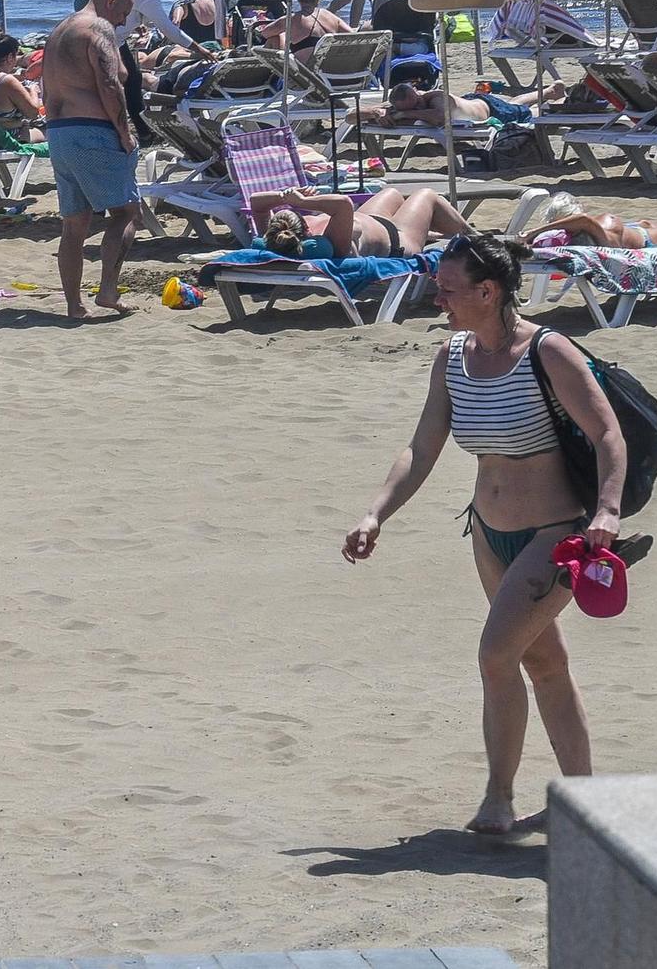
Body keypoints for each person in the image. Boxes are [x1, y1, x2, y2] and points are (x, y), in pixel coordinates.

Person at [346, 232, 626, 834]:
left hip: (554, 534)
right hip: (487, 532)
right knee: (543, 662)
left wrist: (607, 510)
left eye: (447, 289)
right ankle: (584, 803)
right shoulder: (452, 357)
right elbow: (421, 448)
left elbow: (607, 435)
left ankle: (498, 801)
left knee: (496, 654)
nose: (437, 298)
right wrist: (376, 513)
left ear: (487, 290)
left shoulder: (548, 353)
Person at [42, 0, 141, 319]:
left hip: (59, 133)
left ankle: (74, 306)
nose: (122, 24)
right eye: (123, 15)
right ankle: (108, 291)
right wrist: (125, 132)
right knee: (126, 213)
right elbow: (110, 83)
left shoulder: (59, 30)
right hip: (93, 130)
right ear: (109, 2)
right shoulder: (98, 27)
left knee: (74, 224)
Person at [250, 184, 470, 259]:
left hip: (372, 221)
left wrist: (284, 196)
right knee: (427, 195)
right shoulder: (327, 242)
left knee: (392, 193)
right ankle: (472, 235)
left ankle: (436, 234)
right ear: (305, 227)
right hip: (399, 241)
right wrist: (305, 200)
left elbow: (255, 203)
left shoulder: (273, 238)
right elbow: (343, 203)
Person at [361, 80, 568, 129]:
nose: (416, 109)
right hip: (472, 102)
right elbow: (351, 115)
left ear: (417, 92)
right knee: (514, 104)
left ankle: (555, 97)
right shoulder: (404, 103)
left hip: (489, 110)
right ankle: (548, 92)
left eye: (416, 104)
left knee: (524, 112)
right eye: (409, 109)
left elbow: (441, 117)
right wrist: (377, 111)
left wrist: (405, 115)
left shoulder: (435, 98)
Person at [0, 29, 44, 139]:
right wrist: (33, 90)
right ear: (10, 57)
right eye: (15, 56)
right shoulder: (6, 81)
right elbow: (33, 113)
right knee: (51, 130)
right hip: (5, 136)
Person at [257, 0, 351, 56]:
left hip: (304, 76)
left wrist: (284, 34)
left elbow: (265, 33)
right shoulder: (329, 15)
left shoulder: (291, 19)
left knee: (275, 38)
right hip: (328, 69)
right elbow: (351, 35)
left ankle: (264, 75)